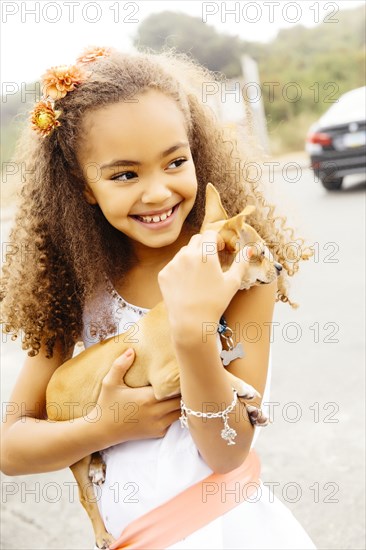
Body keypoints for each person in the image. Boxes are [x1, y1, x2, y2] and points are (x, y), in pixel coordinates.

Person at [1, 46, 316, 549]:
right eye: (124, 174)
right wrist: (104, 425)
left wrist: (193, 333)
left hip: (229, 532)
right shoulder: (75, 281)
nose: (157, 193)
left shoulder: (234, 257)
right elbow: (12, 448)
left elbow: (227, 451)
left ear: (197, 150)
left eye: (175, 161)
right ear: (82, 186)